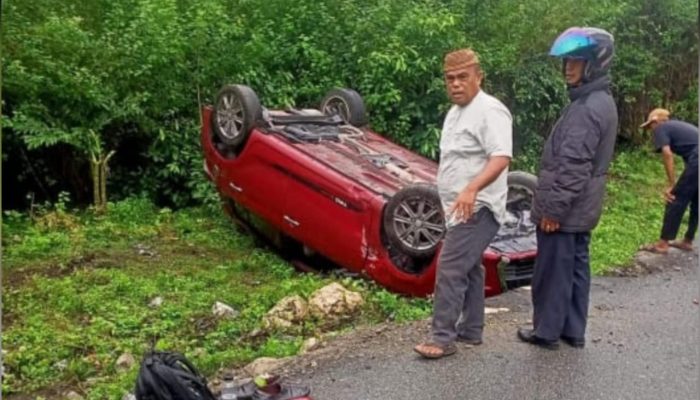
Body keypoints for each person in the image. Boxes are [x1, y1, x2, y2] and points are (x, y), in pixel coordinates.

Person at [518, 27, 618, 350]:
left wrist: (553, 210)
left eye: (576, 61)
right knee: (576, 267)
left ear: (594, 64)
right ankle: (572, 330)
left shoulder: (588, 108)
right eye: (566, 61)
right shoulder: (600, 101)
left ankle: (546, 331)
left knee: (552, 271)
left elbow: (573, 165)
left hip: (568, 206)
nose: (568, 68)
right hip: (584, 205)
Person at [414, 48, 512, 359]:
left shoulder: (490, 110)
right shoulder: (455, 113)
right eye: (450, 79)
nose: (455, 84)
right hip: (457, 207)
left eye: (462, 77)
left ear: (478, 77)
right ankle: (471, 330)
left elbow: (501, 157)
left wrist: (471, 189)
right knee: (469, 266)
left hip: (479, 205)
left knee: (451, 266)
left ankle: (442, 337)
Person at [639, 108, 698, 253]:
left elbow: (667, 154)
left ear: (656, 121)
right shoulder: (679, 127)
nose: (651, 130)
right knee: (697, 199)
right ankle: (688, 240)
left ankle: (662, 244)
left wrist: (671, 184)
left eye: (650, 126)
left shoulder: (662, 128)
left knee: (674, 198)